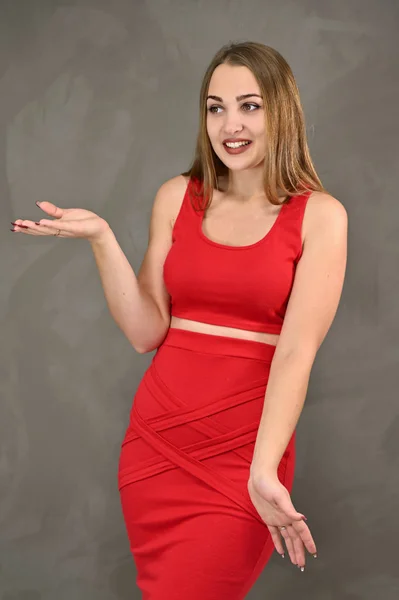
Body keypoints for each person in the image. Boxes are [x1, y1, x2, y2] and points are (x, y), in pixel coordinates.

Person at [11, 41, 348, 599]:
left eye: (249, 106)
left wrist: (263, 471)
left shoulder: (321, 216)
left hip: (244, 456)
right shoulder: (177, 197)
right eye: (216, 108)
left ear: (281, 111)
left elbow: (296, 352)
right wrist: (101, 238)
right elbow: (147, 332)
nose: (230, 125)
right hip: (157, 446)